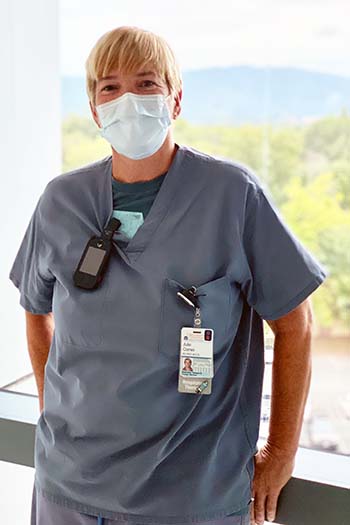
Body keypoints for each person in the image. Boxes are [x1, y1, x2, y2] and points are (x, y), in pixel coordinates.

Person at [8, 25, 328, 525]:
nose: (128, 99)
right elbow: (35, 309)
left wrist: (281, 453)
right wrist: (57, 414)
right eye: (109, 87)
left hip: (188, 495)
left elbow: (296, 322)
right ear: (94, 109)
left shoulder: (232, 196)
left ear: (175, 101)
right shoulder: (61, 201)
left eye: (147, 83)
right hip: (67, 487)